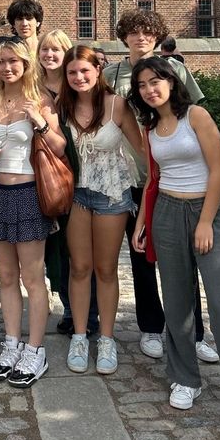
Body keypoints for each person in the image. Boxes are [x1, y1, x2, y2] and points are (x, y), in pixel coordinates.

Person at [130, 58, 220, 427]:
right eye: (143, 85)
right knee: (177, 302)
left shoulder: (195, 116)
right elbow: (153, 177)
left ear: (170, 81)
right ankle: (184, 378)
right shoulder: (150, 126)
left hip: (205, 210)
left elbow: (219, 170)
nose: (150, 89)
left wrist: (207, 221)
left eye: (156, 80)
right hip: (165, 212)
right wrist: (142, 223)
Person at [103, 9, 218, 365]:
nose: (141, 38)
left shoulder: (175, 70)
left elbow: (193, 115)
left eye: (148, 32)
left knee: (183, 262)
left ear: (157, 36)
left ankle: (193, 332)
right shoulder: (112, 75)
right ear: (125, 37)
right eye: (134, 32)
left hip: (167, 180)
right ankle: (151, 326)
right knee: (140, 257)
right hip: (127, 177)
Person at [0, 39, 65, 388]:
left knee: (32, 277)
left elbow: (60, 147)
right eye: (1, 62)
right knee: (7, 277)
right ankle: (12, 344)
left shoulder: (42, 99)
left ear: (26, 63)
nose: (7, 67)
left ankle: (35, 349)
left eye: (14, 61)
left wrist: (39, 121)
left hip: (29, 193)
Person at [59, 45, 143, 376]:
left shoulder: (116, 106)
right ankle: (80, 335)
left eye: (84, 71)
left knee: (106, 269)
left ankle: (106, 338)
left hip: (112, 193)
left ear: (98, 71)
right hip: (76, 195)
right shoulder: (60, 107)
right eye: (72, 72)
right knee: (79, 268)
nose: (79, 77)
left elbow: (143, 149)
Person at [36, 30, 100, 339]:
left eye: (56, 50)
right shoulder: (33, 87)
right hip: (47, 177)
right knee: (57, 249)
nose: (49, 55)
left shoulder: (76, 85)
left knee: (82, 250)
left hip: (79, 173)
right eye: (44, 49)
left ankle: (90, 312)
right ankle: (71, 308)